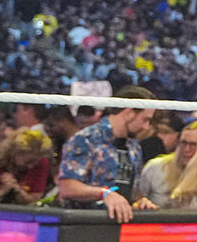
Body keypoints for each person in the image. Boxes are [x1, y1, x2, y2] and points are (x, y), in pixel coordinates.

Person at [56, 87, 158, 221]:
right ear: (128, 113)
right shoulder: (86, 139)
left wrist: (141, 201)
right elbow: (68, 187)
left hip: (121, 224)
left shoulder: (133, 146)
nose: (146, 127)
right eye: (145, 119)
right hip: (84, 223)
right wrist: (104, 193)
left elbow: (129, 187)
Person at [0, 127, 54, 205]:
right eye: (29, 161)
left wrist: (16, 188)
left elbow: (34, 200)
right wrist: (1, 191)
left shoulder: (41, 163)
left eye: (36, 161)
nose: (32, 166)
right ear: (14, 152)